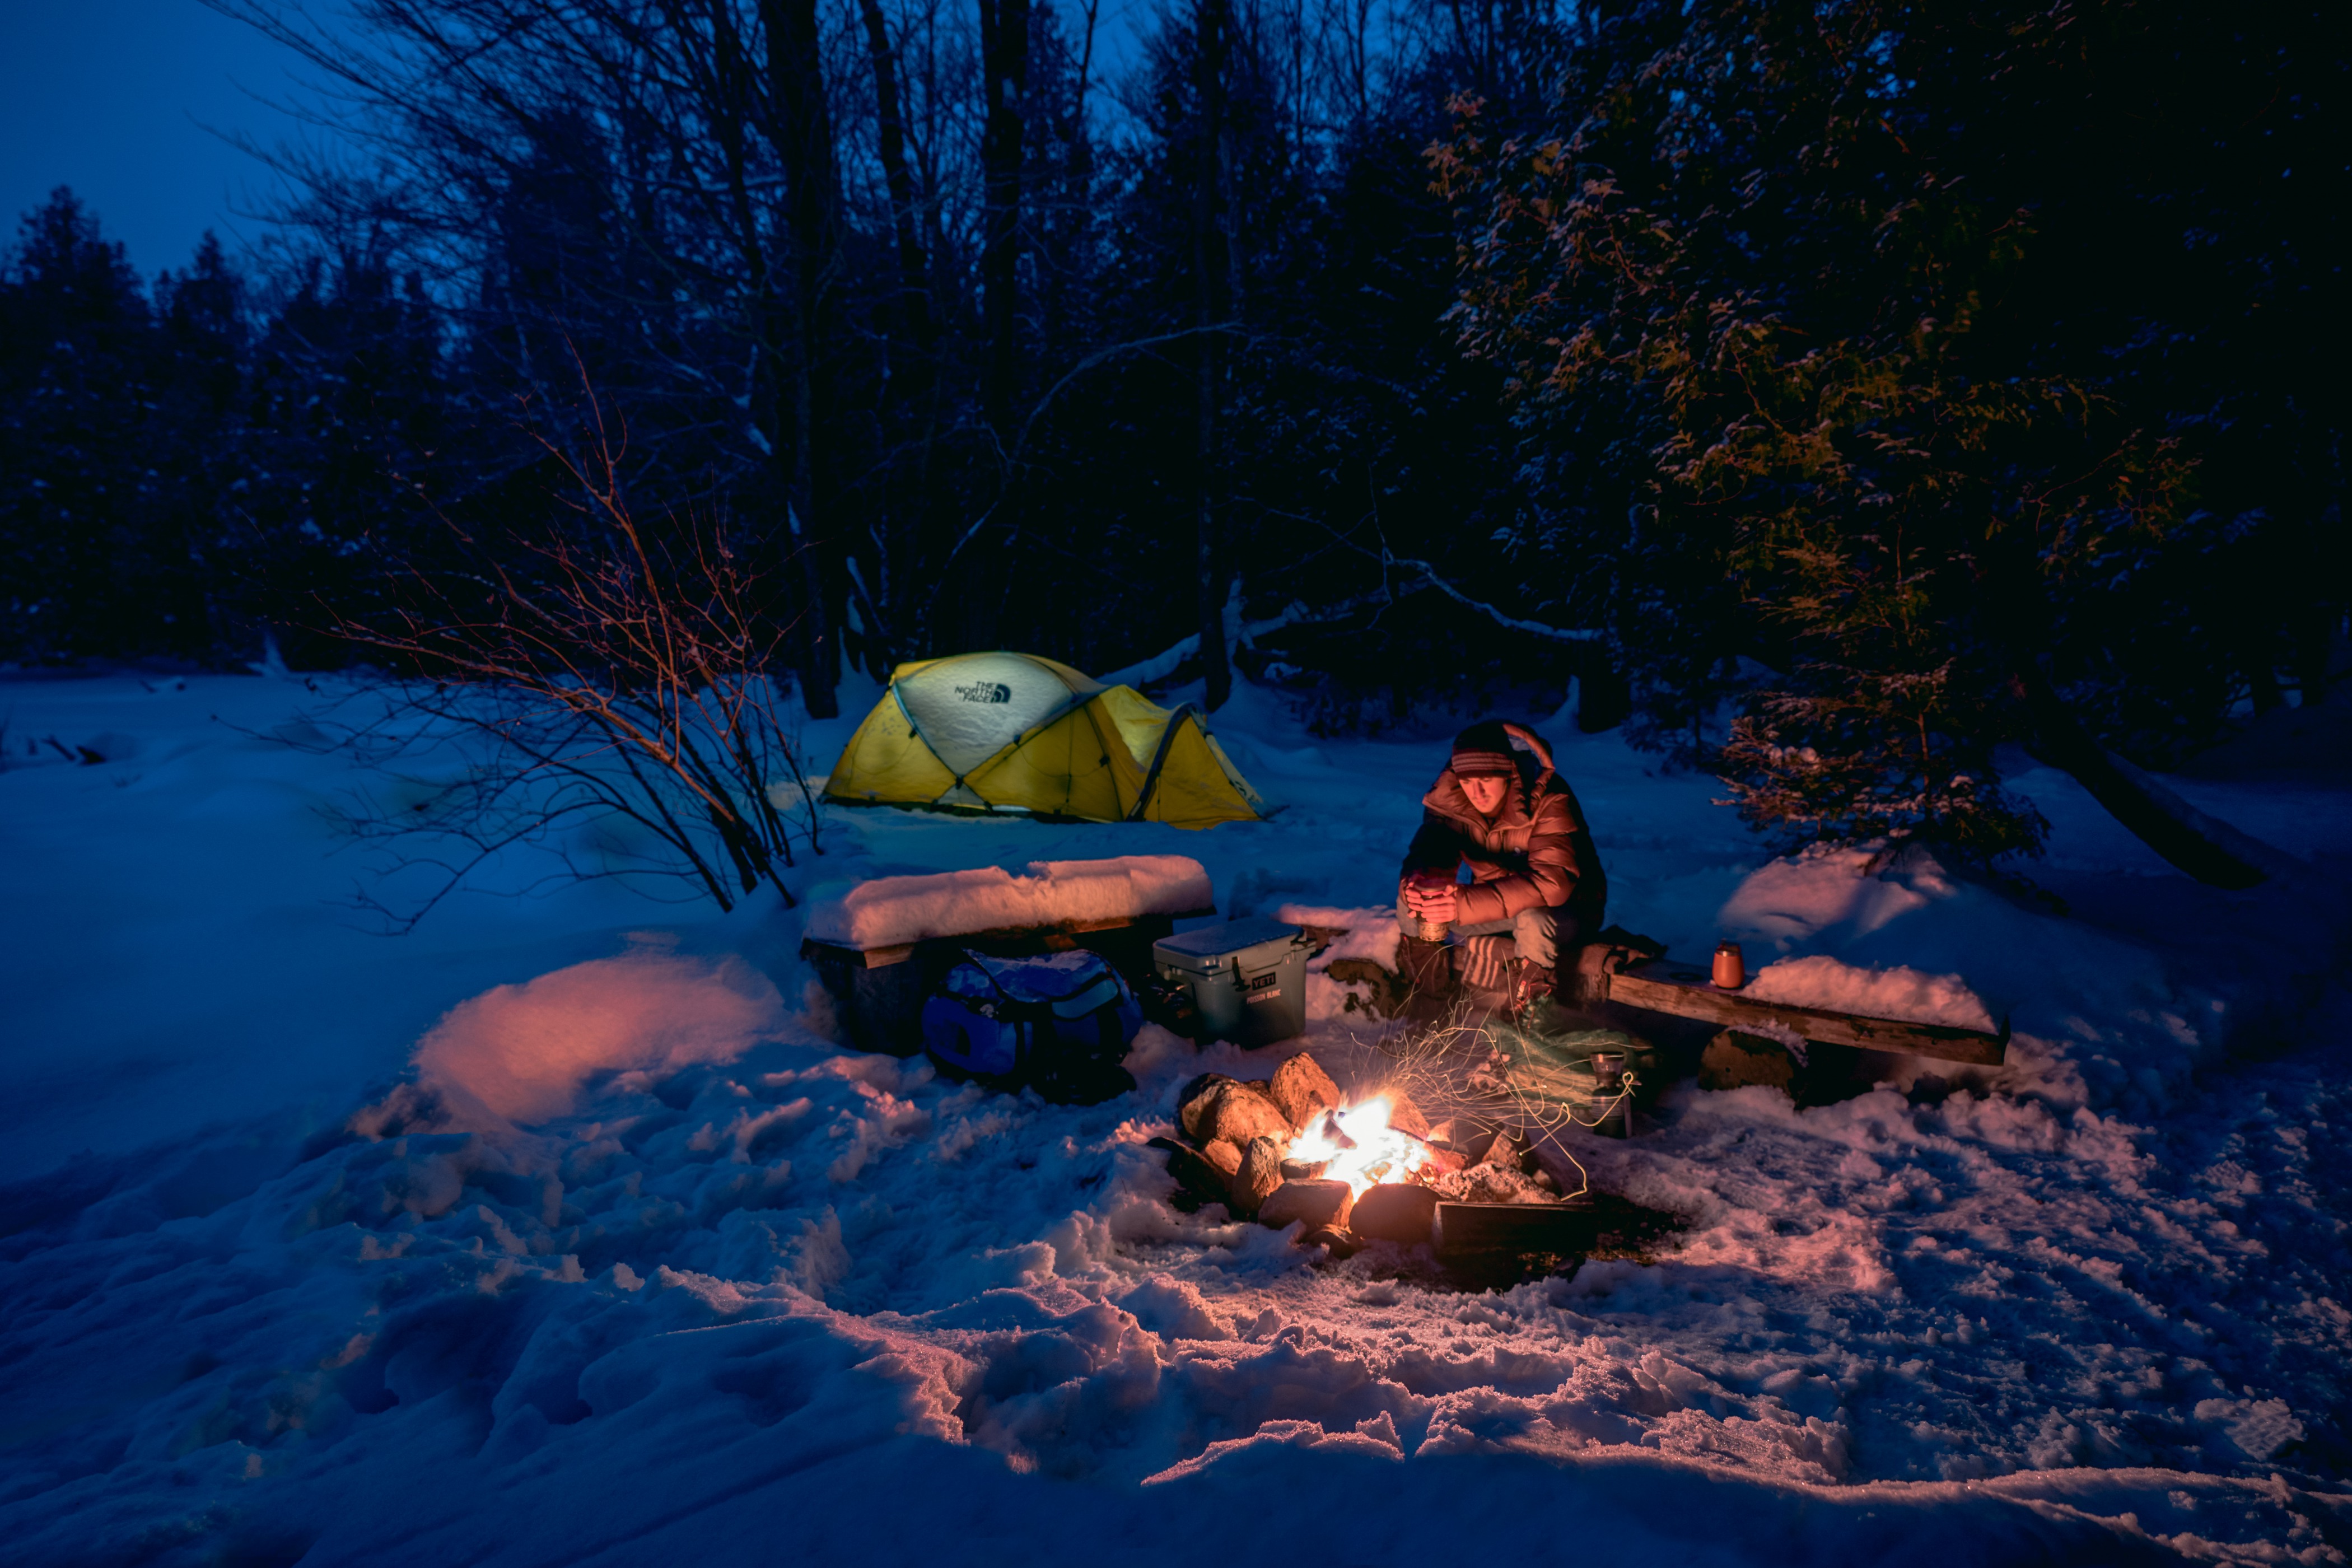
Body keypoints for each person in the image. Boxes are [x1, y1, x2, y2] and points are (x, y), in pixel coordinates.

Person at [1396, 719, 1607, 1021]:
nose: (1476, 793)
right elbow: (1431, 851)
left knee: (1533, 918)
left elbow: (1553, 884)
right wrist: (1419, 882)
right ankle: (1429, 1012)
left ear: (1508, 773)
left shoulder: (1549, 797)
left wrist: (1462, 904)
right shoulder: (1452, 801)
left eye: (1486, 780)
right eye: (1467, 782)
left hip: (1568, 911)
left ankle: (1528, 1025)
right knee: (1411, 904)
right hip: (1495, 907)